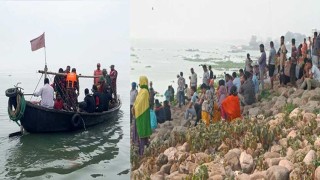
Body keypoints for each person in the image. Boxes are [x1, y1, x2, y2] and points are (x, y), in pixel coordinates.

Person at [132, 76, 152, 156]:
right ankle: (142, 151)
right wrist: (134, 107)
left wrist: (135, 108)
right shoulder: (141, 91)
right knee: (141, 133)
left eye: (140, 81)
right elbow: (137, 102)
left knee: (142, 132)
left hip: (142, 114)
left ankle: (142, 153)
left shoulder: (145, 92)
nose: (139, 83)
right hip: (139, 114)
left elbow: (140, 104)